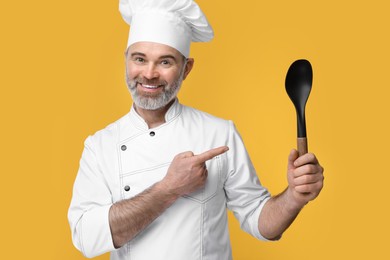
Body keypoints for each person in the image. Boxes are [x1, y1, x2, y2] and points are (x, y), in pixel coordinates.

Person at [68, 0, 324, 259]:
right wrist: (169, 188)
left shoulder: (219, 133)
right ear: (126, 60)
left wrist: (293, 196)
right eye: (139, 59)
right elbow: (86, 238)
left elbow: (259, 220)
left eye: (165, 62)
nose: (149, 73)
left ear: (186, 68)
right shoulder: (100, 146)